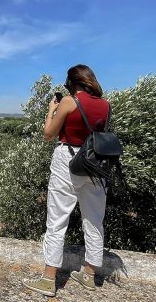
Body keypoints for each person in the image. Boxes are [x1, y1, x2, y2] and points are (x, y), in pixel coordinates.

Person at [23, 64, 110, 297]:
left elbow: (48, 134)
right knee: (94, 220)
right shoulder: (106, 104)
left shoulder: (69, 102)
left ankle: (48, 279)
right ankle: (90, 275)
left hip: (68, 160)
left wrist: (51, 111)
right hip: (96, 162)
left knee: (57, 220)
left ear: (72, 82)